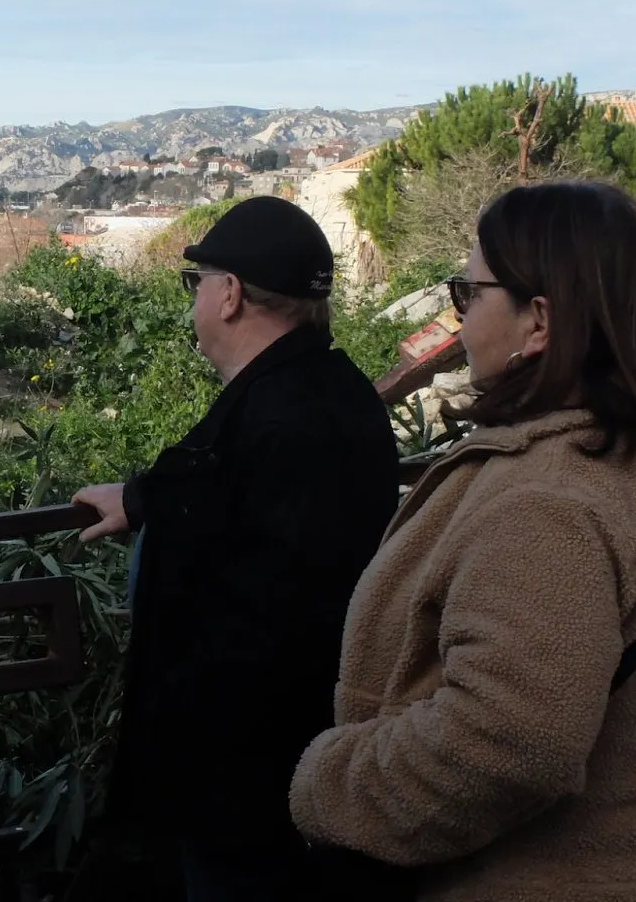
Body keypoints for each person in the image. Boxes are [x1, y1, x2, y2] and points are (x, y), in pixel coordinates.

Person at [290, 180, 636, 900]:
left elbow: (508, 742)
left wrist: (328, 786)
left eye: (470, 293)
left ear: (540, 322)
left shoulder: (552, 497)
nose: (458, 320)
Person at [75, 196, 404, 900]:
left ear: (228, 296)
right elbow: (227, 487)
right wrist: (139, 500)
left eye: (198, 282)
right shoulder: (338, 393)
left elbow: (249, 549)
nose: (194, 299)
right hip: (310, 759)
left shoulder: (276, 416)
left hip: (243, 782)